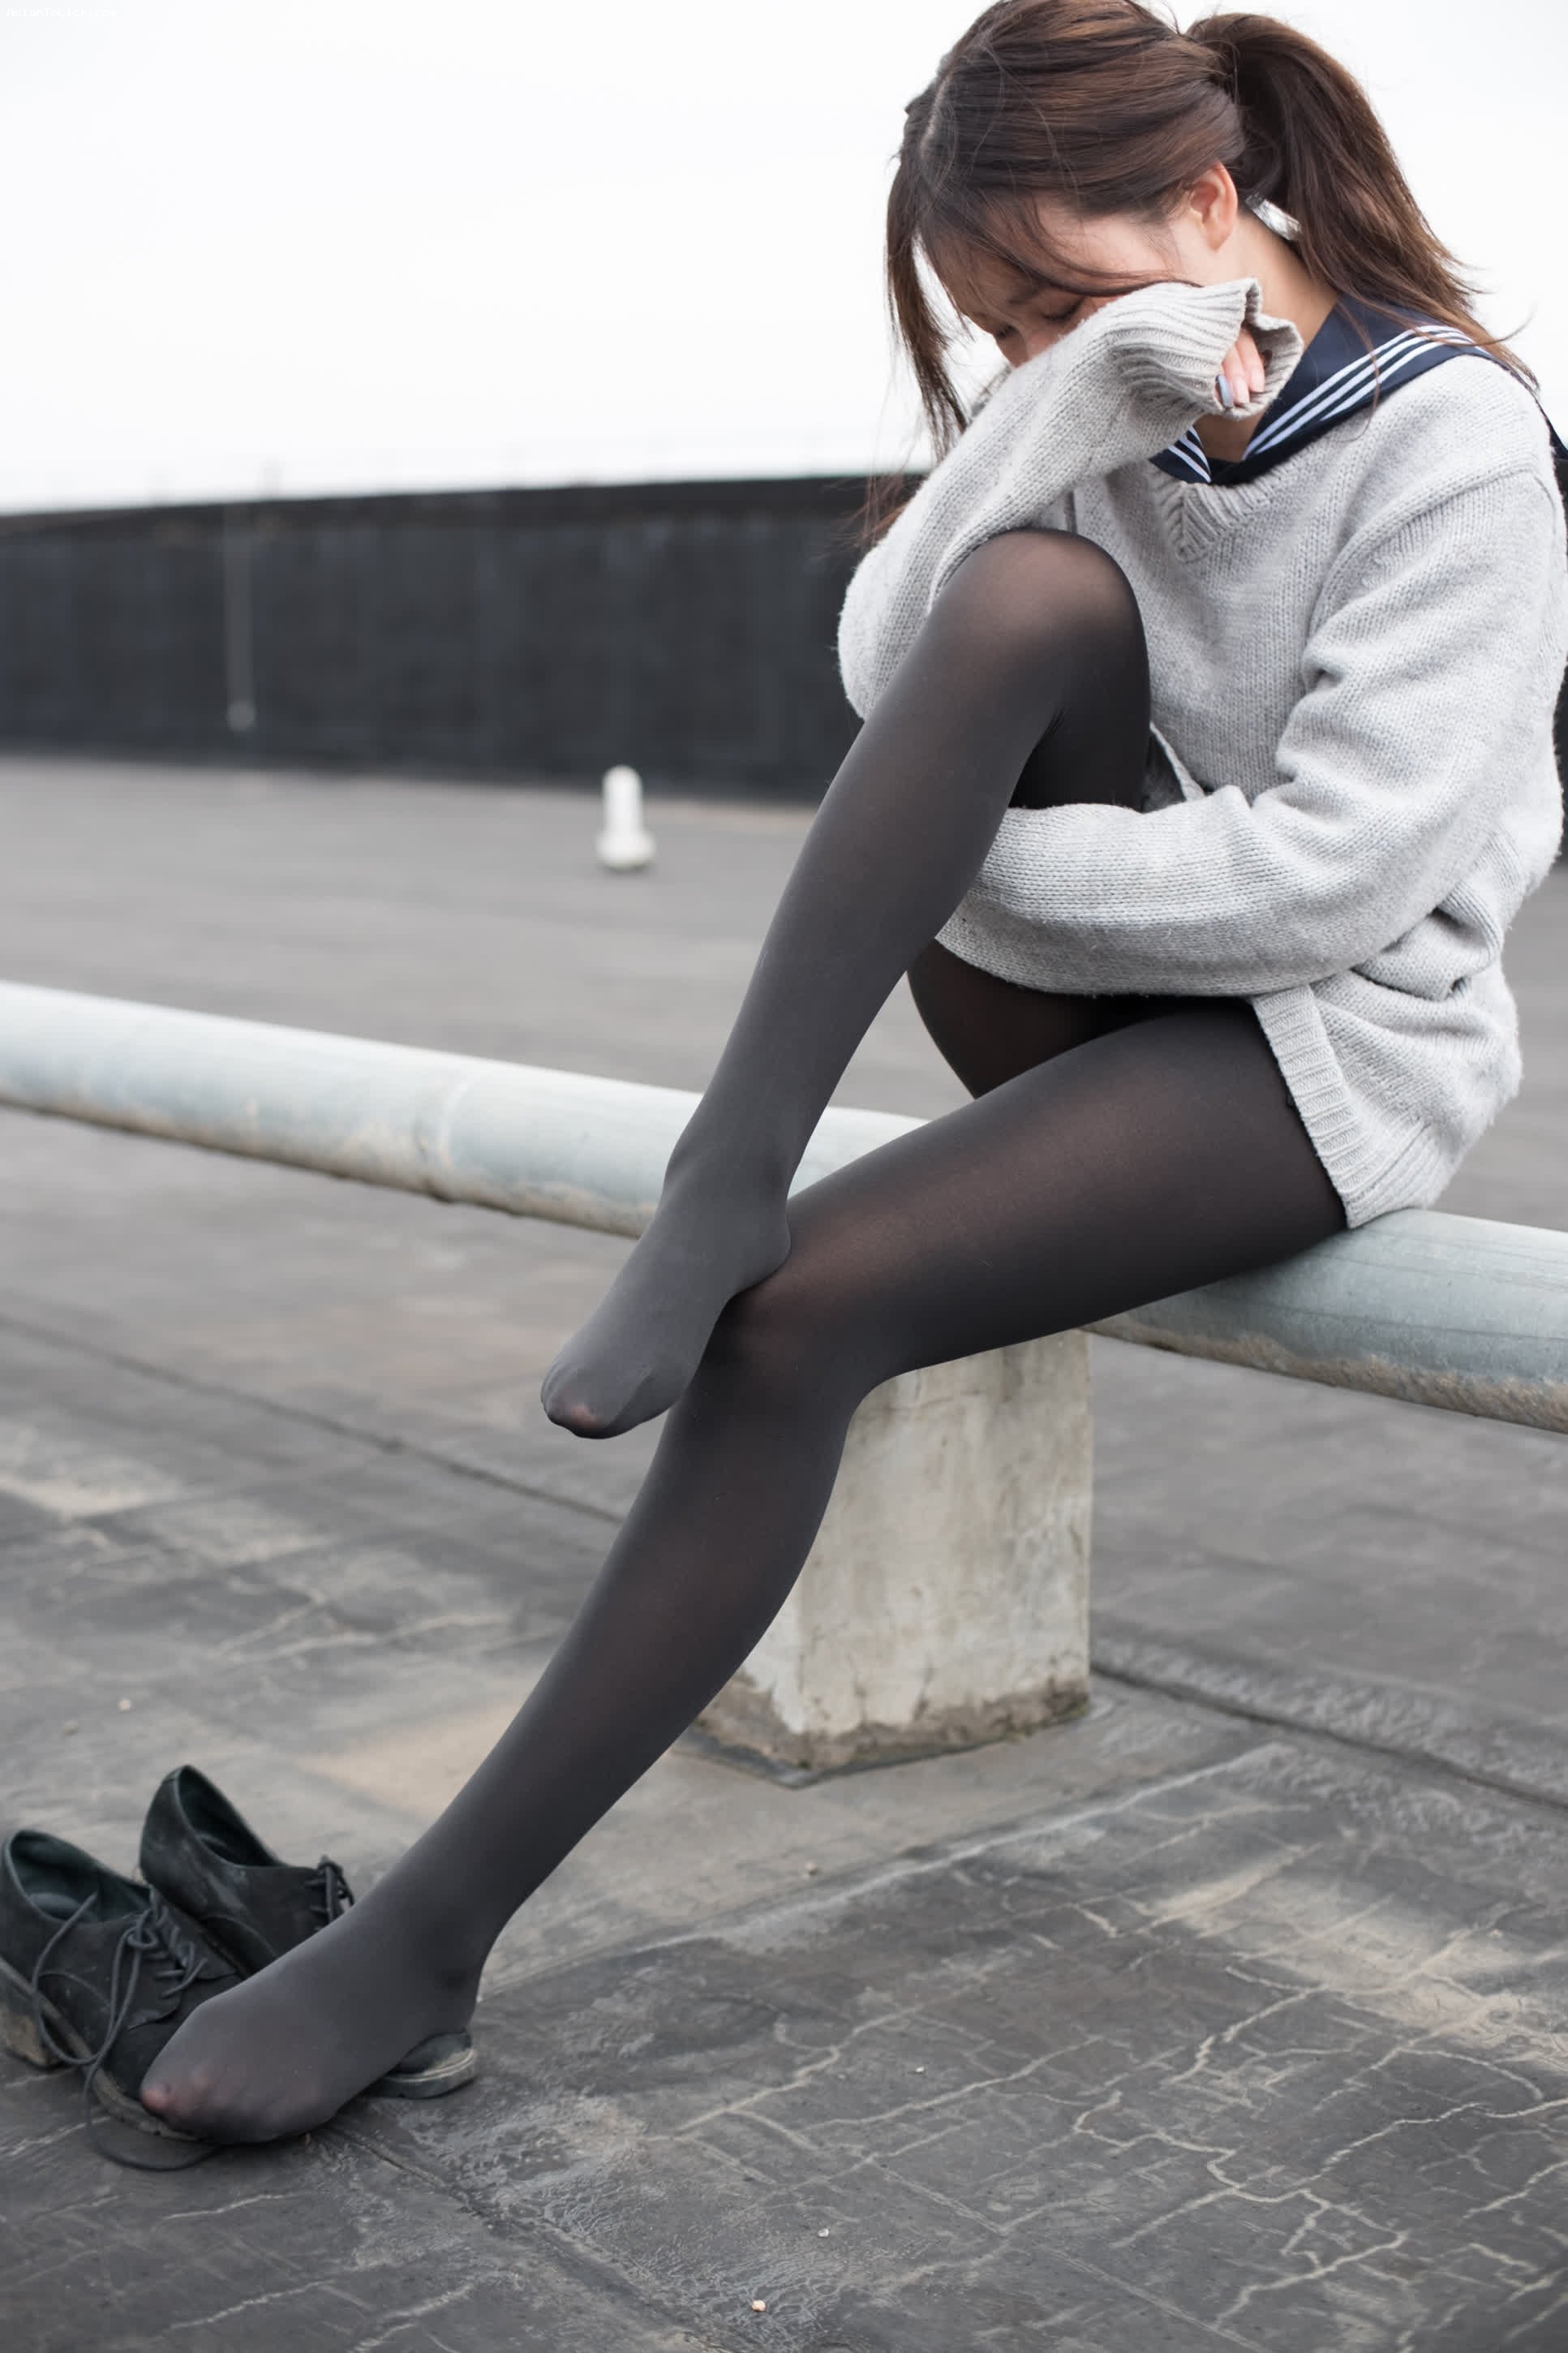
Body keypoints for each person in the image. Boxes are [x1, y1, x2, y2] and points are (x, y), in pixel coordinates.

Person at [139, 0, 1568, 2144]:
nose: (1042, 358)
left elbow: (1335, 880)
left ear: (1213, 198)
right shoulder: (1112, 392)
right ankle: (725, 1167)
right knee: (1020, 599)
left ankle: (421, 1945)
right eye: (1002, 336)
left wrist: (958, 870)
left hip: (1330, 1049)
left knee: (798, 1313)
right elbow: (885, 666)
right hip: (1098, 995)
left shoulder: (1453, 444)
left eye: (1058, 308)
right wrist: (1068, 396)